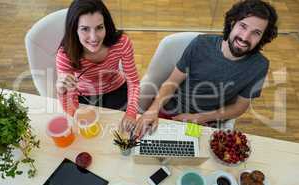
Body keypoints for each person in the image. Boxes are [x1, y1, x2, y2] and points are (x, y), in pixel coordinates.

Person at [135, 0, 278, 137]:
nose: (245, 37)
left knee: (188, 155)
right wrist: (153, 109)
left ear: (263, 38)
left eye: (256, 33)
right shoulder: (200, 44)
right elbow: (171, 83)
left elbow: (240, 107)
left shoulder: (259, 66)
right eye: (243, 26)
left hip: (203, 121)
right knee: (144, 144)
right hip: (170, 110)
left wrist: (201, 117)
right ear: (233, 23)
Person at [56, 0, 140, 132]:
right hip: (85, 96)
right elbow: (71, 111)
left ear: (106, 26)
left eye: (99, 27)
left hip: (117, 90)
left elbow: (133, 81)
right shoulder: (65, 54)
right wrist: (62, 92)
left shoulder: (122, 42)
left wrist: (131, 113)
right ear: (74, 29)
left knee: (123, 133)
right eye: (85, 29)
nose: (94, 37)